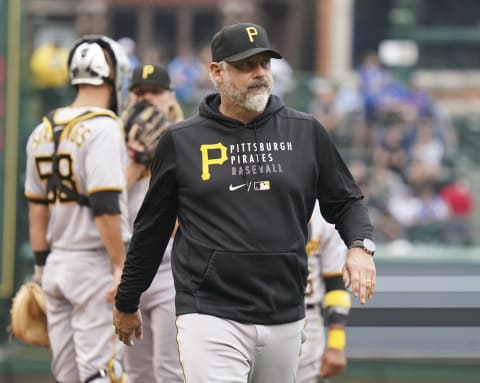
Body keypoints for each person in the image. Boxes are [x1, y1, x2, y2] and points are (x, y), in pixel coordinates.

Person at [114, 22, 376, 383]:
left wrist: (360, 247)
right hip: (208, 310)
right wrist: (127, 300)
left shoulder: (305, 131)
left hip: (284, 308)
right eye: (245, 65)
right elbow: (152, 228)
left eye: (264, 64)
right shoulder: (181, 140)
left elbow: (347, 201)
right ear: (217, 72)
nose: (258, 74)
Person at [25, 35, 131, 382]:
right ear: (111, 75)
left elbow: (37, 209)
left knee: (67, 375)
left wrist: (41, 270)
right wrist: (119, 265)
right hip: (94, 265)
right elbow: (104, 208)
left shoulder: (41, 129)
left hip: (56, 264)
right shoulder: (103, 127)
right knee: (103, 372)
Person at [122, 63, 184, 382]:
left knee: (170, 371)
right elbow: (102, 206)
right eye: (139, 92)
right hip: (123, 264)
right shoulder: (115, 144)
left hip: (171, 270)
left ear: (170, 98)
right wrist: (135, 158)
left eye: (155, 92)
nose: (147, 98)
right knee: (135, 373)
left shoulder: (188, 141)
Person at [297, 202, 350, 383]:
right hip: (255, 312)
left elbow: (336, 283)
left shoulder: (325, 213)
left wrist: (336, 344)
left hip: (308, 316)